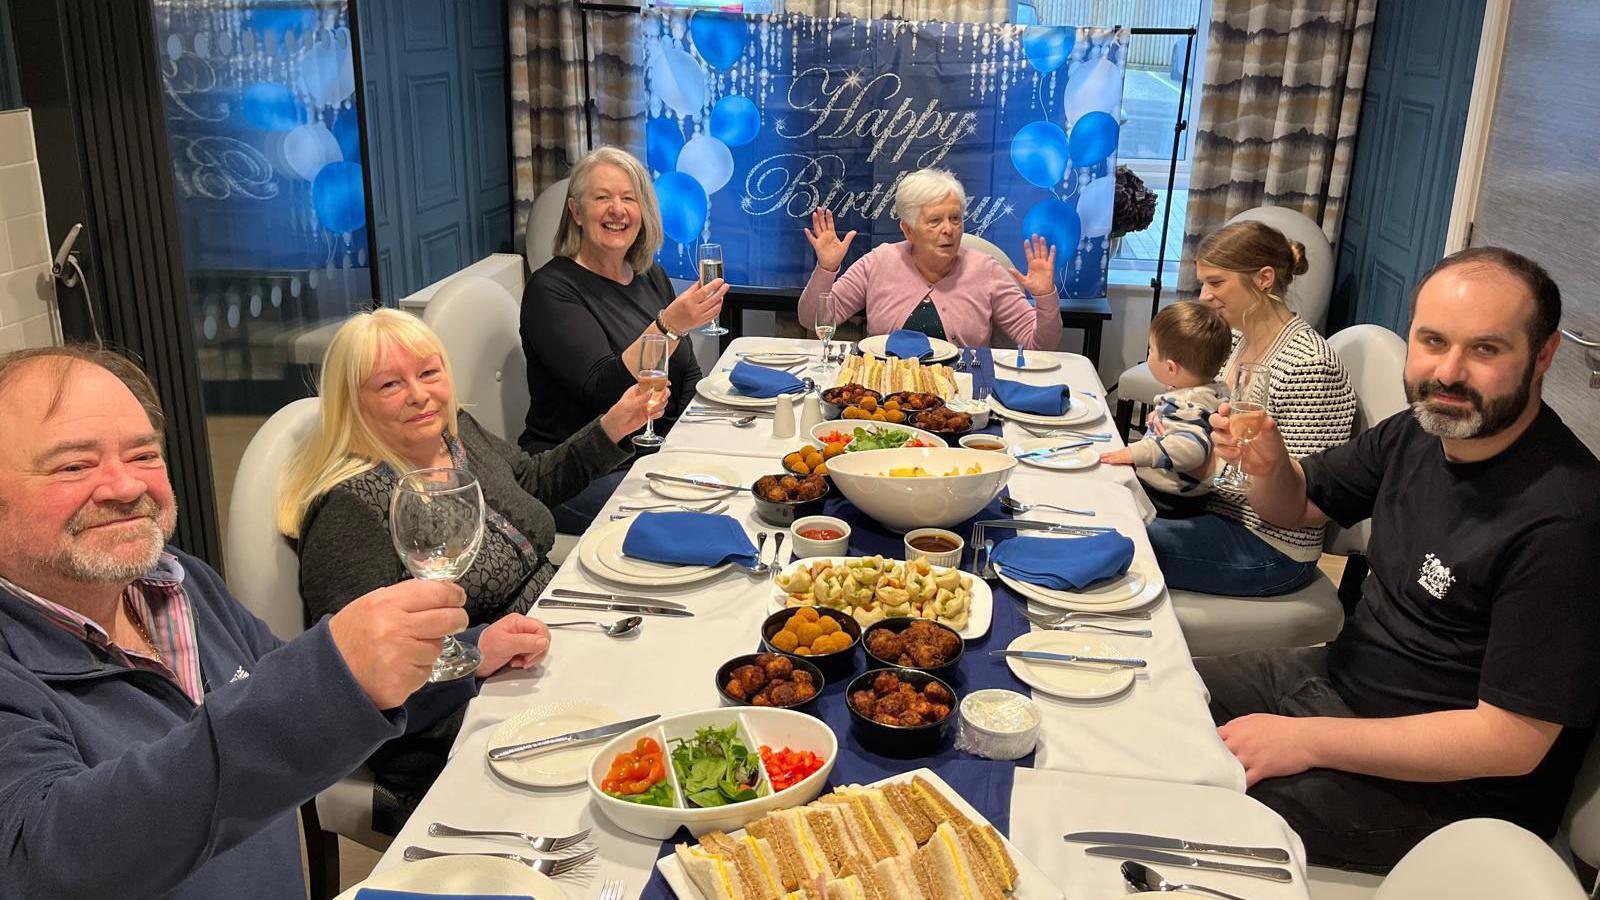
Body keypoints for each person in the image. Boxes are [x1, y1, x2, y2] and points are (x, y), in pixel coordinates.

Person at [0, 345, 552, 898]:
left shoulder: (178, 586)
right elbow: (44, 857)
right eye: (74, 465)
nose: (126, 487)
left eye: (144, 456)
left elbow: (307, 697)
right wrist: (330, 679)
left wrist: (468, 653)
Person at [1197, 247, 1600, 871]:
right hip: (1340, 683)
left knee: (1195, 793)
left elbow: (1512, 741)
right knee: (1162, 697)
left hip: (1452, 797)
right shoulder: (1420, 430)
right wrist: (1272, 467)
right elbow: (1297, 507)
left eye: (1486, 350)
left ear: (1542, 356)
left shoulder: (1567, 518)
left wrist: (1307, 740)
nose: (1449, 372)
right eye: (1433, 341)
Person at [279, 309, 662, 829]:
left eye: (429, 373)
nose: (419, 394)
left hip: (546, 644)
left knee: (663, 690)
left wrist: (612, 426)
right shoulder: (353, 508)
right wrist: (478, 649)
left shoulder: (454, 436)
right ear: (353, 403)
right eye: (390, 384)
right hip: (458, 722)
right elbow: (357, 677)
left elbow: (533, 480)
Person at [520, 146, 728, 530]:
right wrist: (669, 326)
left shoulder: (650, 275)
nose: (617, 209)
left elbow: (687, 372)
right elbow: (603, 389)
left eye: (629, 198)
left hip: (653, 457)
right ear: (576, 212)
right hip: (579, 474)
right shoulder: (550, 289)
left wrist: (709, 435)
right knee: (707, 513)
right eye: (602, 197)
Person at [1145, 221, 1356, 596]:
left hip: (1271, 546)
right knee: (1111, 505)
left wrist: (1196, 458)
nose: (1204, 295)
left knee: (1121, 543)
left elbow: (1310, 494)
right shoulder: (1236, 341)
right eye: (1203, 283)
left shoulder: (1309, 364)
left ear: (1264, 278)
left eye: (1216, 282)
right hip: (1216, 510)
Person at [797, 168, 1063, 350]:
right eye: (935, 221)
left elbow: (1039, 345)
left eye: (955, 219)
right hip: (885, 394)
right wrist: (827, 268)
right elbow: (812, 320)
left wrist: (1045, 296)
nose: (949, 229)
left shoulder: (987, 270)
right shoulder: (879, 262)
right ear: (908, 230)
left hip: (962, 399)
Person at [1100, 300, 1230, 510]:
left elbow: (1192, 449)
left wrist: (1138, 452)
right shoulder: (1211, 391)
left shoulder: (1189, 405)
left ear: (1171, 368)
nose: (1148, 355)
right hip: (1172, 494)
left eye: (1151, 350)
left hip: (1165, 499)